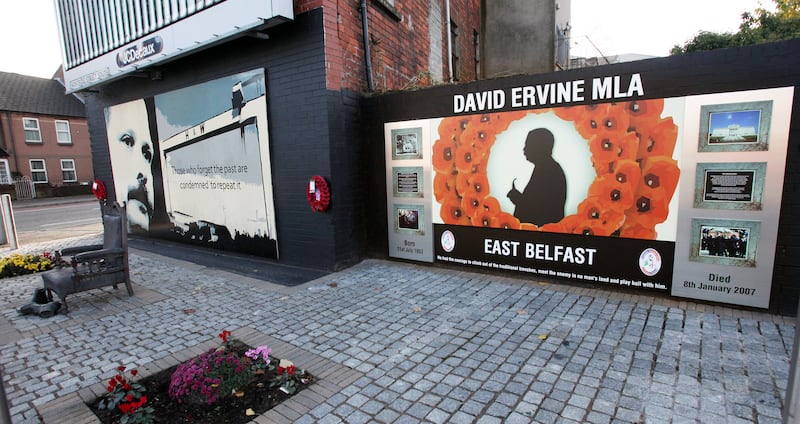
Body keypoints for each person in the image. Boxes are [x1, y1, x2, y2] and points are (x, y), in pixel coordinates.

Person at [507, 128, 567, 226]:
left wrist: (516, 198)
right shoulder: (545, 168)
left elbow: (538, 209)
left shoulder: (548, 171)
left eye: (529, 145)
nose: (525, 149)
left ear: (540, 147)